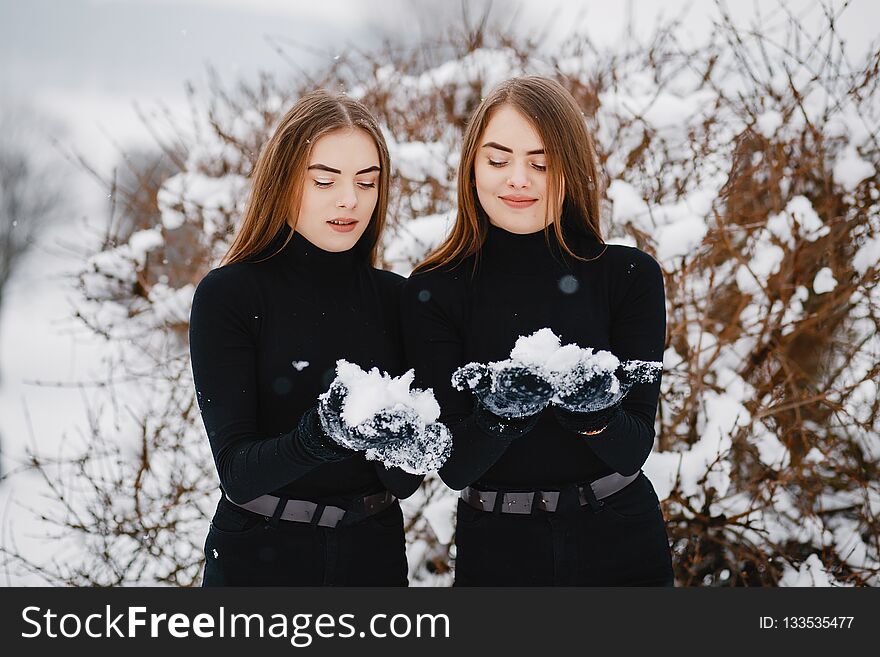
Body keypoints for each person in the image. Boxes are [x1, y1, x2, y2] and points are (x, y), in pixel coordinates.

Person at [401, 76, 675, 586]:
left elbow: (633, 448)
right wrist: (499, 419)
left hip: (621, 544)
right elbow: (456, 467)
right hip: (499, 551)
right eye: (498, 160)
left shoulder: (628, 276)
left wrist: (595, 414)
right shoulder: (435, 289)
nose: (518, 180)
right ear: (472, 168)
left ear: (569, 168)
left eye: (541, 163)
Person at [189, 90, 423, 586]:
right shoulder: (230, 295)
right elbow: (238, 472)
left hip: (373, 557)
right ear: (284, 181)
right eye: (324, 181)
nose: (349, 200)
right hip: (259, 559)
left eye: (367, 182)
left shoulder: (398, 300)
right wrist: (320, 436)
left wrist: (400, 439)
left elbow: (405, 481)